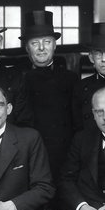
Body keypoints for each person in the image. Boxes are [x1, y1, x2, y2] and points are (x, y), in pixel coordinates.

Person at [16, 10, 82, 181]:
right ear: (27, 47)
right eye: (35, 43)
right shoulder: (18, 80)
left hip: (65, 155)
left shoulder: (70, 79)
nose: (41, 48)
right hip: (30, 156)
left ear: (54, 45)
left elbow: (78, 123)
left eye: (47, 42)